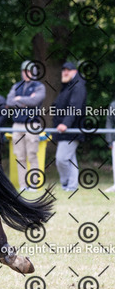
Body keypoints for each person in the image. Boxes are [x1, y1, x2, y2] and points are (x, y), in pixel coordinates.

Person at [6, 61, 46, 192]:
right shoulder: (16, 85)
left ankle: (34, 184)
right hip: (17, 124)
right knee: (20, 156)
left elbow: (35, 101)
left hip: (32, 124)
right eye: (24, 71)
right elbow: (9, 101)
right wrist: (26, 101)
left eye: (28, 71)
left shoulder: (39, 86)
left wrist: (19, 99)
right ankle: (23, 185)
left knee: (32, 155)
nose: (25, 74)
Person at [52, 62, 87, 192]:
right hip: (66, 131)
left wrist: (65, 124)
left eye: (68, 70)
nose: (65, 72)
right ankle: (71, 186)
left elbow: (75, 107)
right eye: (63, 70)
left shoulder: (78, 86)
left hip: (71, 130)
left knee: (61, 159)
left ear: (75, 71)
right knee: (70, 159)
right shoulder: (68, 86)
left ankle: (67, 183)